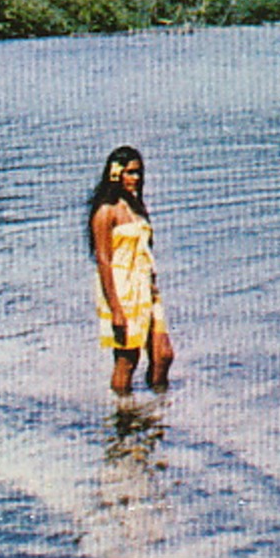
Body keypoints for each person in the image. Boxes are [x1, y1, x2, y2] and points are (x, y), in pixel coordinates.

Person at [88, 146, 174, 393]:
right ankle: (123, 418)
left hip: (146, 286)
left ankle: (159, 412)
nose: (135, 178)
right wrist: (116, 309)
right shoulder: (106, 211)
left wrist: (153, 283)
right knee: (128, 360)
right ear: (115, 174)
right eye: (130, 173)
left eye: (138, 173)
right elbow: (103, 260)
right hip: (122, 290)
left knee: (163, 355)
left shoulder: (135, 206)